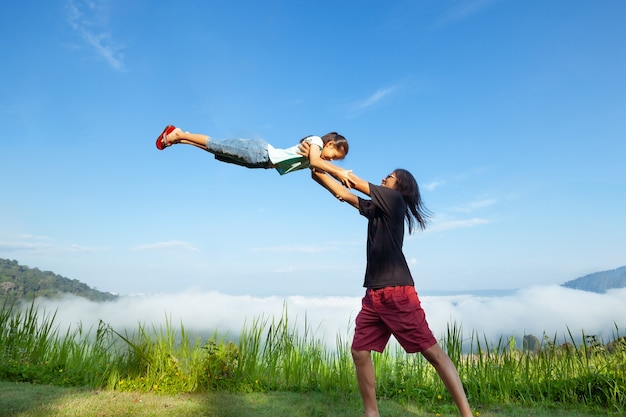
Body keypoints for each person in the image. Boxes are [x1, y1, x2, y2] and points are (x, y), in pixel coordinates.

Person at [299, 143, 473, 417]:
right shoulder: (379, 208)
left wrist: (320, 160)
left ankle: (467, 414)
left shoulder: (394, 201)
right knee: (359, 351)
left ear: (400, 186)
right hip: (374, 296)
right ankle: (372, 413)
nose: (383, 178)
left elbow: (352, 181)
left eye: (389, 177)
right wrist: (314, 166)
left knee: (433, 354)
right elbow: (344, 193)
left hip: (397, 292)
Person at [155, 125, 354, 186]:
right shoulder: (316, 143)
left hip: (260, 162)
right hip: (259, 152)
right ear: (328, 144)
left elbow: (316, 171)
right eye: (334, 155)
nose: (331, 160)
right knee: (214, 144)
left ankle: (183, 138)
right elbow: (315, 161)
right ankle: (178, 134)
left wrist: (339, 180)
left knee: (213, 150)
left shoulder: (317, 155)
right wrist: (340, 172)